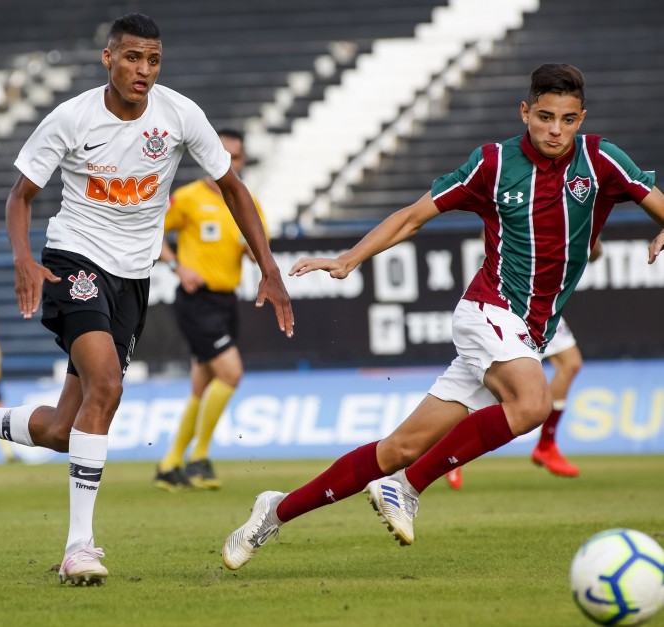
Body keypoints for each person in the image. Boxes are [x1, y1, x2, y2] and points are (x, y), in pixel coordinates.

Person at [222, 63, 664, 570]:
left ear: (582, 118)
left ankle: (273, 512)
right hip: (489, 310)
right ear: (525, 112)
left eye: (567, 119)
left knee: (399, 447)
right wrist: (348, 259)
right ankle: (406, 488)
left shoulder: (601, 159)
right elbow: (412, 217)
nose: (555, 131)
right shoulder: (493, 164)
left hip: (529, 332)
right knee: (533, 402)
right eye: (544, 117)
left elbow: (656, 203)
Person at [0, 13, 294, 586]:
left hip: (134, 279)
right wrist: (23, 256)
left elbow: (234, 189)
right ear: (108, 59)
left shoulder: (180, 114)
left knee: (65, 431)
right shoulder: (71, 118)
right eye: (133, 58)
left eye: (153, 60)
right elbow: (20, 196)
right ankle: (80, 547)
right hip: (75, 260)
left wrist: (268, 266)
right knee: (109, 387)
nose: (143, 70)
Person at [153, 129, 266, 492]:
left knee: (202, 387)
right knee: (231, 373)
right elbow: (151, 231)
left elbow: (258, 244)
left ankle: (170, 465)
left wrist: (254, 252)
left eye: (237, 157)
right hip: (197, 301)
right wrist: (177, 266)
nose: (231, 163)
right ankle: (199, 457)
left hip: (226, 300)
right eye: (225, 156)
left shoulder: (246, 200)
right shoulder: (187, 198)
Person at [445, 240, 603, 489]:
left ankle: (546, 444)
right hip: (511, 302)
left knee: (569, 363)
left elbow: (592, 252)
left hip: (540, 306)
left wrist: (588, 229)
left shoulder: (575, 205)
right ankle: (449, 454)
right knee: (502, 389)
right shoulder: (525, 206)